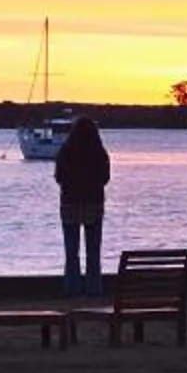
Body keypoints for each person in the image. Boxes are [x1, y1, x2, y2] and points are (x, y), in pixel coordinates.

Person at [53, 117, 111, 295]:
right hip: (94, 204)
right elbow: (105, 178)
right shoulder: (99, 153)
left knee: (72, 253)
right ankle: (94, 288)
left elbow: (59, 177)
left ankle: (72, 289)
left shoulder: (66, 151)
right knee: (93, 252)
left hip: (70, 204)